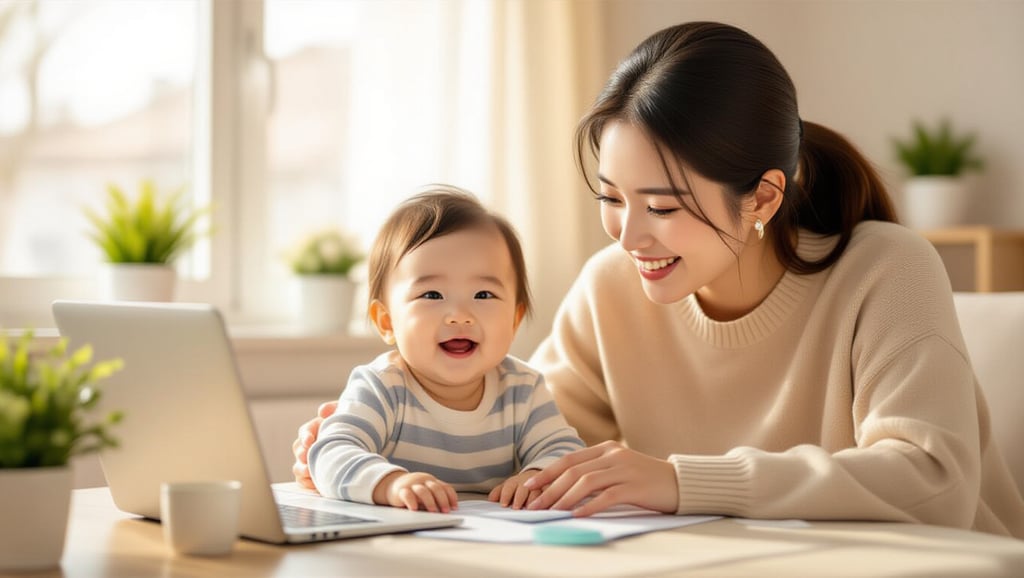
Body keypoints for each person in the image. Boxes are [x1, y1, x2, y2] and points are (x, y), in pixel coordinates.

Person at [293, 22, 1024, 537]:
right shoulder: (611, 286)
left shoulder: (885, 270)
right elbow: (517, 444)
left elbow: (934, 483)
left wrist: (679, 480)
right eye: (612, 198)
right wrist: (363, 461)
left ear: (763, 197)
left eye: (664, 207)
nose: (628, 236)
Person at [305, 186, 584, 513]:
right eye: (432, 295)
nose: (460, 316)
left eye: (483, 295)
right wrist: (390, 484)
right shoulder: (383, 387)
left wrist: (537, 475)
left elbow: (565, 451)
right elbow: (331, 452)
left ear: (514, 319)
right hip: (400, 540)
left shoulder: (523, 389)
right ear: (386, 321)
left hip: (494, 542)